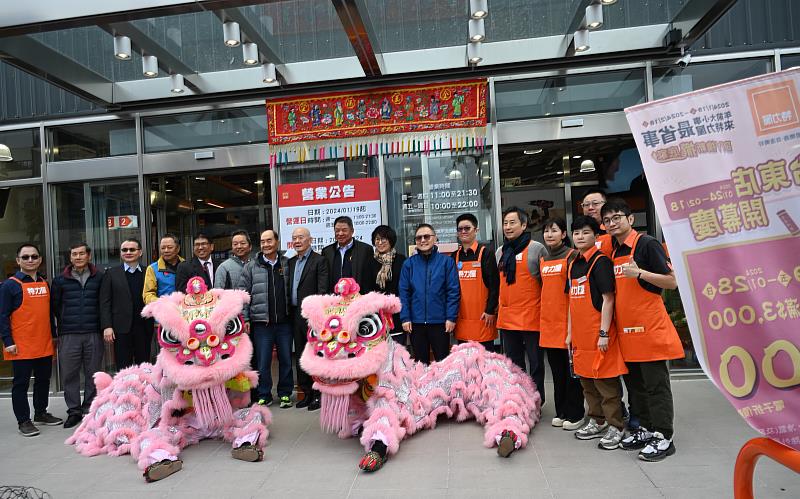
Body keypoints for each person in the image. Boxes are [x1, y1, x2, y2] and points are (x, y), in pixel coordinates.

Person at [602, 198, 683, 461]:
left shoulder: (646, 244)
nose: (612, 223)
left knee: (656, 386)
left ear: (630, 219)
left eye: (617, 217)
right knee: (636, 386)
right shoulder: (614, 251)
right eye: (607, 220)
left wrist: (640, 274)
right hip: (628, 332)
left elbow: (672, 282)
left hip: (649, 330)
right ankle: (646, 429)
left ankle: (664, 436)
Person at [566, 216, 628, 450]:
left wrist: (604, 333)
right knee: (587, 382)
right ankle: (597, 419)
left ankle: (616, 425)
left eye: (585, 233)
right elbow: (571, 301)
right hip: (580, 336)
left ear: (595, 236)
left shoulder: (600, 262)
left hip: (598, 333)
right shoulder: (574, 262)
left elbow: (608, 298)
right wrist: (570, 333)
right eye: (577, 233)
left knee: (606, 383)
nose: (580, 237)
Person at [1, 243, 62, 436]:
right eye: (25, 257)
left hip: (43, 341)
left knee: (43, 380)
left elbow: (49, 313)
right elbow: (2, 316)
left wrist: (53, 337)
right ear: (18, 260)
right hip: (21, 345)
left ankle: (41, 413)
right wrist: (8, 341)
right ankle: (23, 420)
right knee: (21, 384)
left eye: (34, 256)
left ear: (40, 260)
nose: (30, 260)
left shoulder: (44, 282)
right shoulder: (10, 285)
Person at [495, 207, 547, 404]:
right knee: (514, 364)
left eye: (512, 223)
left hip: (532, 316)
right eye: (505, 223)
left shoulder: (536, 248)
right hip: (508, 318)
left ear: (524, 225)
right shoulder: (501, 251)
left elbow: (545, 282)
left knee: (535, 364)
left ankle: (537, 400)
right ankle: (520, 400)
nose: (508, 227)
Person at [238, 229, 294, 409]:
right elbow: (243, 295)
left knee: (286, 359)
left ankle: (285, 394)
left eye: (269, 241)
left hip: (284, 322)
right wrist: (245, 318)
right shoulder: (252, 266)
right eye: (262, 241)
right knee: (263, 361)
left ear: (277, 242)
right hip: (261, 323)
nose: (265, 244)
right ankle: (264, 394)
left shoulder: (286, 264)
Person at [51, 242, 105, 429]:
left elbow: (103, 303)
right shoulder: (59, 280)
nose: (78, 257)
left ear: (88, 255)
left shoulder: (100, 277)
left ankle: (89, 409)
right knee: (70, 374)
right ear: (70, 257)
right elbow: (55, 307)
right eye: (74, 254)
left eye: (82, 253)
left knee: (93, 373)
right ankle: (73, 411)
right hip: (69, 334)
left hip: (93, 332)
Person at [539, 218, 585, 430]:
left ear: (564, 234)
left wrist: (572, 327)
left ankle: (576, 414)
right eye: (546, 231)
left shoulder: (572, 256)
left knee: (571, 373)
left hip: (567, 323)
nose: (549, 235)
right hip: (548, 324)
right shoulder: (544, 259)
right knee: (557, 372)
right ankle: (561, 411)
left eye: (554, 230)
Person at [398, 224, 460, 364]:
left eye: (427, 236)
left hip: (440, 322)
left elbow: (453, 291)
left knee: (442, 362)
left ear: (435, 239)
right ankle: (422, 386)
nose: (423, 240)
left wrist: (451, 317)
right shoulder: (409, 264)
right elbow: (404, 293)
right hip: (416, 323)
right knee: (420, 364)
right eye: (419, 237)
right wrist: (405, 317)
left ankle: (443, 387)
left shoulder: (446, 262)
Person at [287, 227, 329, 411]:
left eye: (301, 238)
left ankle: (319, 394)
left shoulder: (319, 261)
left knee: (316, 354)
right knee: (300, 355)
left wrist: (318, 313)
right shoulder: (289, 262)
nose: (297, 241)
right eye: (294, 238)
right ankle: (306, 393)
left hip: (312, 315)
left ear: (310, 240)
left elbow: (323, 289)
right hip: (295, 314)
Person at [99, 238, 154, 369]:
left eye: (132, 249)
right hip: (121, 329)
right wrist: (107, 326)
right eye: (124, 250)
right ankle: (125, 390)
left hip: (144, 327)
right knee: (123, 368)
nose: (128, 252)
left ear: (140, 252)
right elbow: (105, 302)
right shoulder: (111, 274)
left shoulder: (149, 272)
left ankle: (145, 390)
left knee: (144, 366)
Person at [453, 213, 499, 350]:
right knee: (465, 363)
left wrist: (490, 310)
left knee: (485, 362)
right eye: (460, 229)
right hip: (461, 319)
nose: (463, 232)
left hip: (483, 318)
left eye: (467, 228)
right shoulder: (454, 256)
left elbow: (494, 285)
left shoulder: (485, 253)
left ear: (476, 230)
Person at [371, 225, 407, 346]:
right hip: (377, 315)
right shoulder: (369, 261)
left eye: (384, 239)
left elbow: (405, 286)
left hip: (397, 314)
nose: (380, 242)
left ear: (391, 240)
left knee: (398, 353)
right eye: (377, 239)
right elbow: (366, 287)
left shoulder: (401, 260)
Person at [322, 216, 375, 294]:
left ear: (352, 231)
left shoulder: (365, 250)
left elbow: (369, 278)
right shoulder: (327, 251)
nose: (340, 233)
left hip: (358, 299)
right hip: (334, 300)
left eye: (344, 230)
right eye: (337, 230)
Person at [143, 233, 184, 305]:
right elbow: (148, 295)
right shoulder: (153, 268)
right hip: (164, 312)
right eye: (163, 248)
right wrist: (163, 303)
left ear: (178, 249)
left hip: (187, 311)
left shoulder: (187, 266)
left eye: (170, 247)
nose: (166, 250)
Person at [581, 188, 613, 258]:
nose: (590, 208)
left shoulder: (613, 229)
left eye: (595, 203)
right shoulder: (580, 235)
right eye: (586, 205)